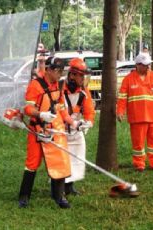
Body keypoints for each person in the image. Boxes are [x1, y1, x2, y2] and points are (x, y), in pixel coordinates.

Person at [18, 56, 79, 209]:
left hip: (54, 130)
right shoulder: (35, 85)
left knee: (59, 161)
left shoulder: (59, 85)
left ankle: (59, 196)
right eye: (58, 71)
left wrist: (73, 122)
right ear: (49, 70)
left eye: (62, 71)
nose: (60, 74)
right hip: (37, 130)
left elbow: (61, 108)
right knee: (32, 163)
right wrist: (41, 114)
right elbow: (27, 108)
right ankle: (24, 197)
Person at [62, 58, 95, 195]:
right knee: (61, 160)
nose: (83, 79)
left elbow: (89, 110)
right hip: (60, 129)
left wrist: (88, 122)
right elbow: (59, 110)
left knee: (76, 158)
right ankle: (59, 188)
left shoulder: (84, 90)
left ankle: (70, 187)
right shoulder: (59, 88)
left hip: (76, 128)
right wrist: (71, 122)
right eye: (81, 76)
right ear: (72, 75)